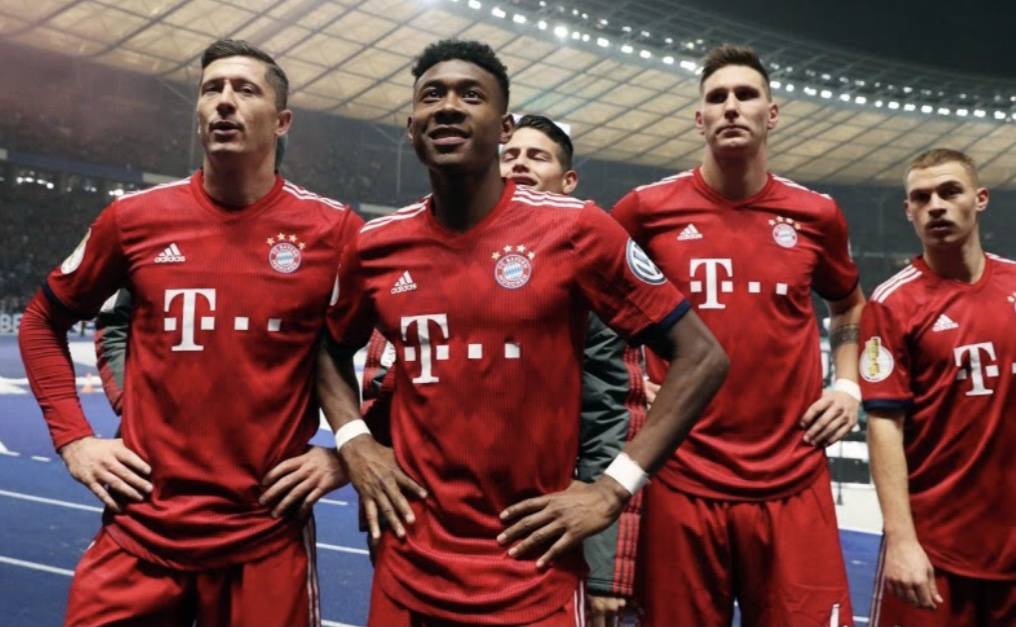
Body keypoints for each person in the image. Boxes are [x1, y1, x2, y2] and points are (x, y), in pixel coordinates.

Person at [317, 39, 729, 626]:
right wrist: (354, 441)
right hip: (408, 566)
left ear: (504, 127)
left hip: (534, 573)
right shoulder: (375, 246)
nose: (448, 107)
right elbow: (328, 349)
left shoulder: (579, 231)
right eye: (431, 96)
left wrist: (612, 488)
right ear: (412, 127)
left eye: (471, 96)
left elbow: (702, 356)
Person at [18, 38, 360, 626]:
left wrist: (349, 453)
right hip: (142, 526)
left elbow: (409, 348)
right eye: (211, 90)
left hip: (264, 535)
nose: (224, 101)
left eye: (244, 90)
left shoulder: (334, 231)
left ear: (282, 122)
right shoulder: (133, 219)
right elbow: (41, 321)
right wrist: (74, 439)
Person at [358, 113, 648, 626]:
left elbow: (610, 418)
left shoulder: (586, 263)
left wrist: (604, 568)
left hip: (534, 544)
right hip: (419, 537)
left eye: (537, 157)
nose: (519, 165)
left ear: (569, 181)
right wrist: (365, 470)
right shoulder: (417, 254)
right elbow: (379, 389)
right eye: (511, 154)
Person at [612, 44, 865, 627]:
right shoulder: (645, 210)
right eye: (717, 97)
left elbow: (849, 303)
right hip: (679, 474)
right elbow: (592, 309)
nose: (731, 106)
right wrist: (631, 381)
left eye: (745, 95)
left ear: (771, 114)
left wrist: (849, 386)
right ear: (699, 118)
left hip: (792, 474)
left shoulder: (817, 215)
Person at [860, 148, 1015, 627]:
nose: (936, 207)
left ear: (980, 199)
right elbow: (883, 425)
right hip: (934, 552)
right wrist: (901, 541)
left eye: (950, 192)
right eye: (921, 198)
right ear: (908, 211)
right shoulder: (891, 304)